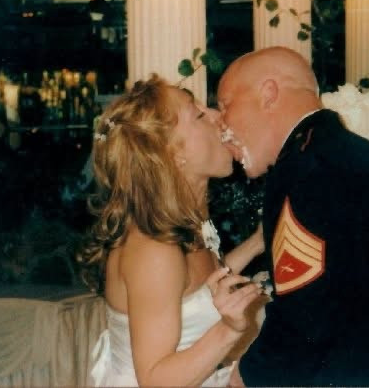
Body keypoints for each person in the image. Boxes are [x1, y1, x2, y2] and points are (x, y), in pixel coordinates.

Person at [217, 46, 369, 386]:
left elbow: (303, 320)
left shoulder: (302, 173)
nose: (222, 124)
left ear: (268, 94)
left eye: (225, 105)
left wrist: (245, 375)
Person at [80, 74, 265, 387]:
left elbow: (194, 291)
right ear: (173, 154)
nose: (216, 116)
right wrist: (229, 330)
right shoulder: (155, 251)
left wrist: (257, 243)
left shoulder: (182, 226)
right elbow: (155, 379)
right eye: (199, 114)